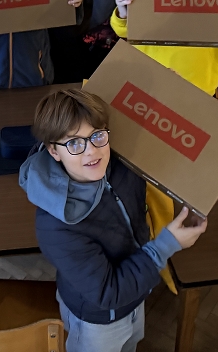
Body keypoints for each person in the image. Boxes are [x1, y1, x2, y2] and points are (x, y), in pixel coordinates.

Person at [19, 88, 208, 352]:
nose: (91, 152)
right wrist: (167, 244)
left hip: (136, 292)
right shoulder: (55, 226)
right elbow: (108, 293)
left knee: (131, 345)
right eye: (74, 143)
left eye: (97, 135)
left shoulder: (120, 166)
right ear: (53, 150)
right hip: (97, 320)